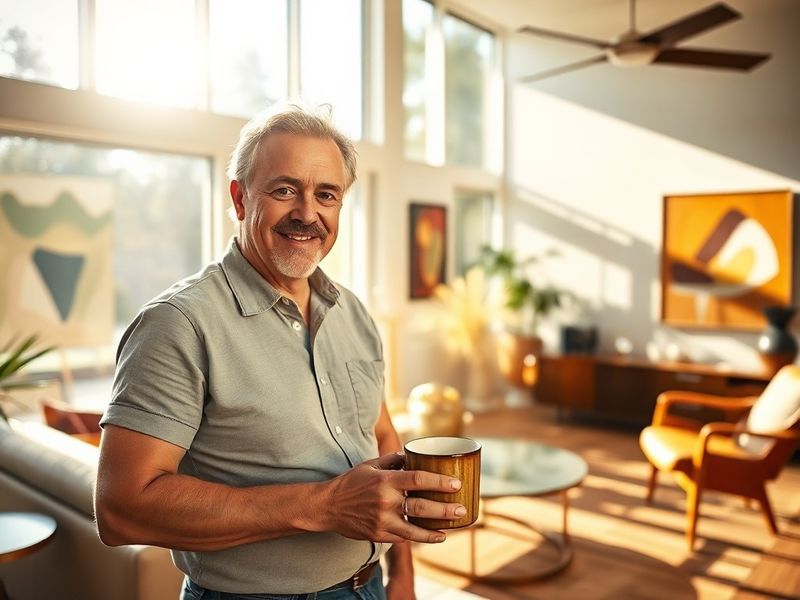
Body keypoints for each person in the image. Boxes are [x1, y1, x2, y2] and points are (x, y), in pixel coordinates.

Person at [94, 103, 467, 600]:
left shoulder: (352, 313)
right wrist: (324, 505)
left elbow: (380, 438)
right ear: (240, 198)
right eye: (284, 189)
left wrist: (402, 576)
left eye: (326, 195)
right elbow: (121, 510)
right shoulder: (177, 324)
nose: (307, 214)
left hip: (370, 587)